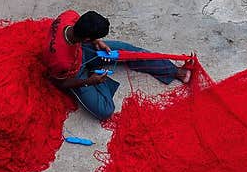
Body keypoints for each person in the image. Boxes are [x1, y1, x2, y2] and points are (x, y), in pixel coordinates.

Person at [43, 10, 193, 120]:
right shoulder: (60, 60)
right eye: (96, 37)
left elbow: (82, 32)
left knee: (126, 51)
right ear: (87, 38)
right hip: (72, 73)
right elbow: (61, 83)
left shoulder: (69, 17)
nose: (99, 39)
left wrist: (98, 42)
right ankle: (94, 72)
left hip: (82, 49)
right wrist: (89, 81)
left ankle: (173, 70)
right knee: (105, 111)